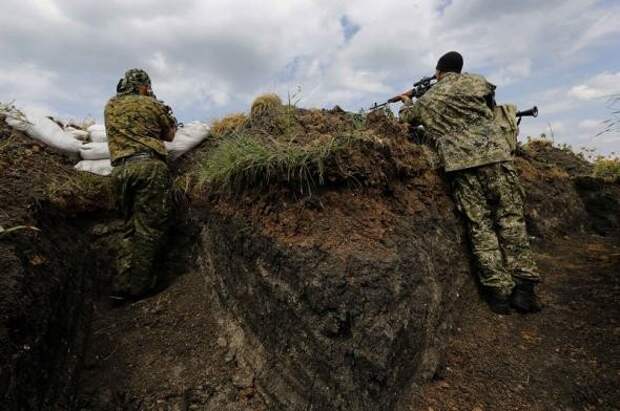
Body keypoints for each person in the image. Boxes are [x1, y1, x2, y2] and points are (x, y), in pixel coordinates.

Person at [398, 51, 541, 314]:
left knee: (481, 226)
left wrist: (407, 101)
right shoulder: (477, 81)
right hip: (497, 158)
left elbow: (406, 120)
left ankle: (498, 294)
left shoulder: (428, 98)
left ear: (438, 72)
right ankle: (524, 290)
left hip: (461, 167)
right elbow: (489, 106)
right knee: (511, 219)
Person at [105, 68, 177, 300]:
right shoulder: (150, 104)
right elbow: (170, 135)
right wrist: (165, 111)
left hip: (120, 172)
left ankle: (120, 284)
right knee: (149, 228)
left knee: (129, 228)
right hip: (148, 167)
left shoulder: (110, 106)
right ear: (143, 86)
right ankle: (140, 288)